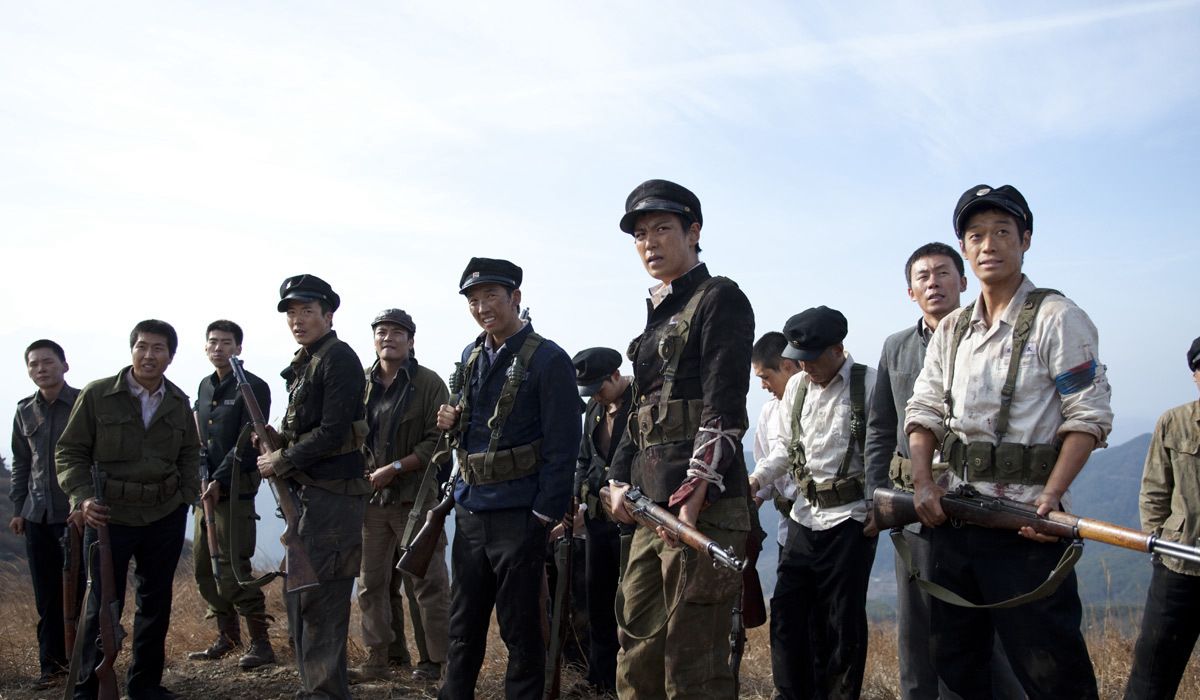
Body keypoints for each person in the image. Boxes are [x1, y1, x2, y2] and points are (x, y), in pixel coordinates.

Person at [905, 184, 1113, 698]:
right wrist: (924, 483)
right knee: (956, 660)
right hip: (956, 517)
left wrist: (1050, 499)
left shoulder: (1058, 318)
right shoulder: (953, 329)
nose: (989, 245)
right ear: (965, 247)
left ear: (1026, 240)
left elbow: (1088, 415)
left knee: (1050, 668)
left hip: (1026, 526)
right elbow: (923, 410)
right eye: (976, 235)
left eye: (1002, 232)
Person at [604, 179, 755, 700]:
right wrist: (616, 481)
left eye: (662, 228)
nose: (649, 242)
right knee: (637, 655)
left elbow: (725, 406)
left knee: (693, 666)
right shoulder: (657, 314)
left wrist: (695, 492)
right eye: (640, 234)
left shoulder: (720, 298)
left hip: (701, 511)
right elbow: (638, 416)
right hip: (651, 511)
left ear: (694, 232)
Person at [863, 243, 1022, 699]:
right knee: (916, 630)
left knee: (985, 628)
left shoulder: (993, 339)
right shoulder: (896, 347)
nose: (933, 283)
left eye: (943, 273)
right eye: (923, 276)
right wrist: (876, 497)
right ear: (910, 291)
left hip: (979, 506)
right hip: (914, 506)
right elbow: (880, 427)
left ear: (963, 281)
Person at [435, 257, 580, 699]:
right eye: (473, 300)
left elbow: (563, 446)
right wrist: (452, 420)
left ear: (515, 298)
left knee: (521, 630)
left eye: (491, 296)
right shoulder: (471, 355)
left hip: (519, 513)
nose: (482, 308)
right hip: (471, 509)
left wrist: (542, 515)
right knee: (463, 624)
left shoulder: (549, 359)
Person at [56, 320, 201, 700]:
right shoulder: (98, 394)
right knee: (102, 603)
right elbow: (69, 452)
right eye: (142, 346)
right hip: (109, 516)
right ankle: (88, 688)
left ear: (170, 356)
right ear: (132, 349)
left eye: (158, 348)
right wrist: (83, 499)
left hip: (163, 514)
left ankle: (145, 685)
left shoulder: (178, 401)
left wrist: (185, 497)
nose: (149, 355)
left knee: (156, 602)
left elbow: (190, 452)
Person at [749, 307, 877, 700]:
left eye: (813, 358)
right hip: (805, 517)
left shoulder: (869, 385)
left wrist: (877, 509)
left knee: (840, 623)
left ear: (837, 349)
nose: (806, 366)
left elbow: (883, 452)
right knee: (787, 613)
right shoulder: (799, 389)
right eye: (799, 358)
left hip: (850, 518)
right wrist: (756, 479)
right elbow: (785, 449)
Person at [257, 274, 370, 700]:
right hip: (311, 493)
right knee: (303, 598)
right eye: (291, 312)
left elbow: (332, 431)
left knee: (322, 600)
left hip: (333, 496)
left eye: (307, 311)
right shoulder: (308, 360)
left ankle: (324, 692)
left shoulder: (337, 358)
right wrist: (276, 442)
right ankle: (316, 688)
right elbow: (308, 428)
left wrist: (281, 459)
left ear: (328, 314)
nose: (297, 320)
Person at [351, 308, 450, 684]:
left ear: (411, 340)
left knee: (427, 584)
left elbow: (438, 442)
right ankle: (380, 658)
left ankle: (437, 663)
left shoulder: (429, 383)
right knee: (371, 584)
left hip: (415, 500)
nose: (388, 338)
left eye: (396, 332)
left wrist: (393, 468)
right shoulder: (361, 384)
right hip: (371, 503)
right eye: (381, 332)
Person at [188, 320, 276, 669]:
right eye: (213, 342)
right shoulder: (204, 385)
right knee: (203, 567)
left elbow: (247, 441)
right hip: (203, 490)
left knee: (233, 567)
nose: (218, 348)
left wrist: (220, 480)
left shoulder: (252, 386)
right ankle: (227, 637)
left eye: (226, 343)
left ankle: (261, 643)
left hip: (234, 490)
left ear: (239, 348)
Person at [1123, 336, 1200, 700]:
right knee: (1153, 672)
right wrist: (1160, 546)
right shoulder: (1175, 422)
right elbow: (1154, 490)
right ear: (1195, 375)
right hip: (1178, 565)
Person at [10, 339, 84, 689]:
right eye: (34, 364)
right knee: (47, 597)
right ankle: (51, 668)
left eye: (48, 362)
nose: (41, 369)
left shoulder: (83, 404)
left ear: (64, 366)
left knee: (82, 593)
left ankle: (85, 664)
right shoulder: (25, 411)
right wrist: (18, 508)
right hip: (37, 515)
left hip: (76, 514)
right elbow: (22, 463)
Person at [572, 346, 633, 694]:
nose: (596, 395)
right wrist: (576, 496)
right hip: (597, 521)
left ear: (615, 375)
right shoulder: (594, 409)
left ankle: (630, 680)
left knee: (631, 603)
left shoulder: (640, 403)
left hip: (631, 522)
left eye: (600, 387)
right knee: (598, 600)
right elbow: (584, 459)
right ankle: (600, 679)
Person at [749, 332, 801, 552]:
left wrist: (756, 479)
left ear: (787, 366)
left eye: (766, 377)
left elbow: (786, 452)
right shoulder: (769, 412)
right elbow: (766, 471)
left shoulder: (814, 405)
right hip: (787, 528)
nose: (763, 386)